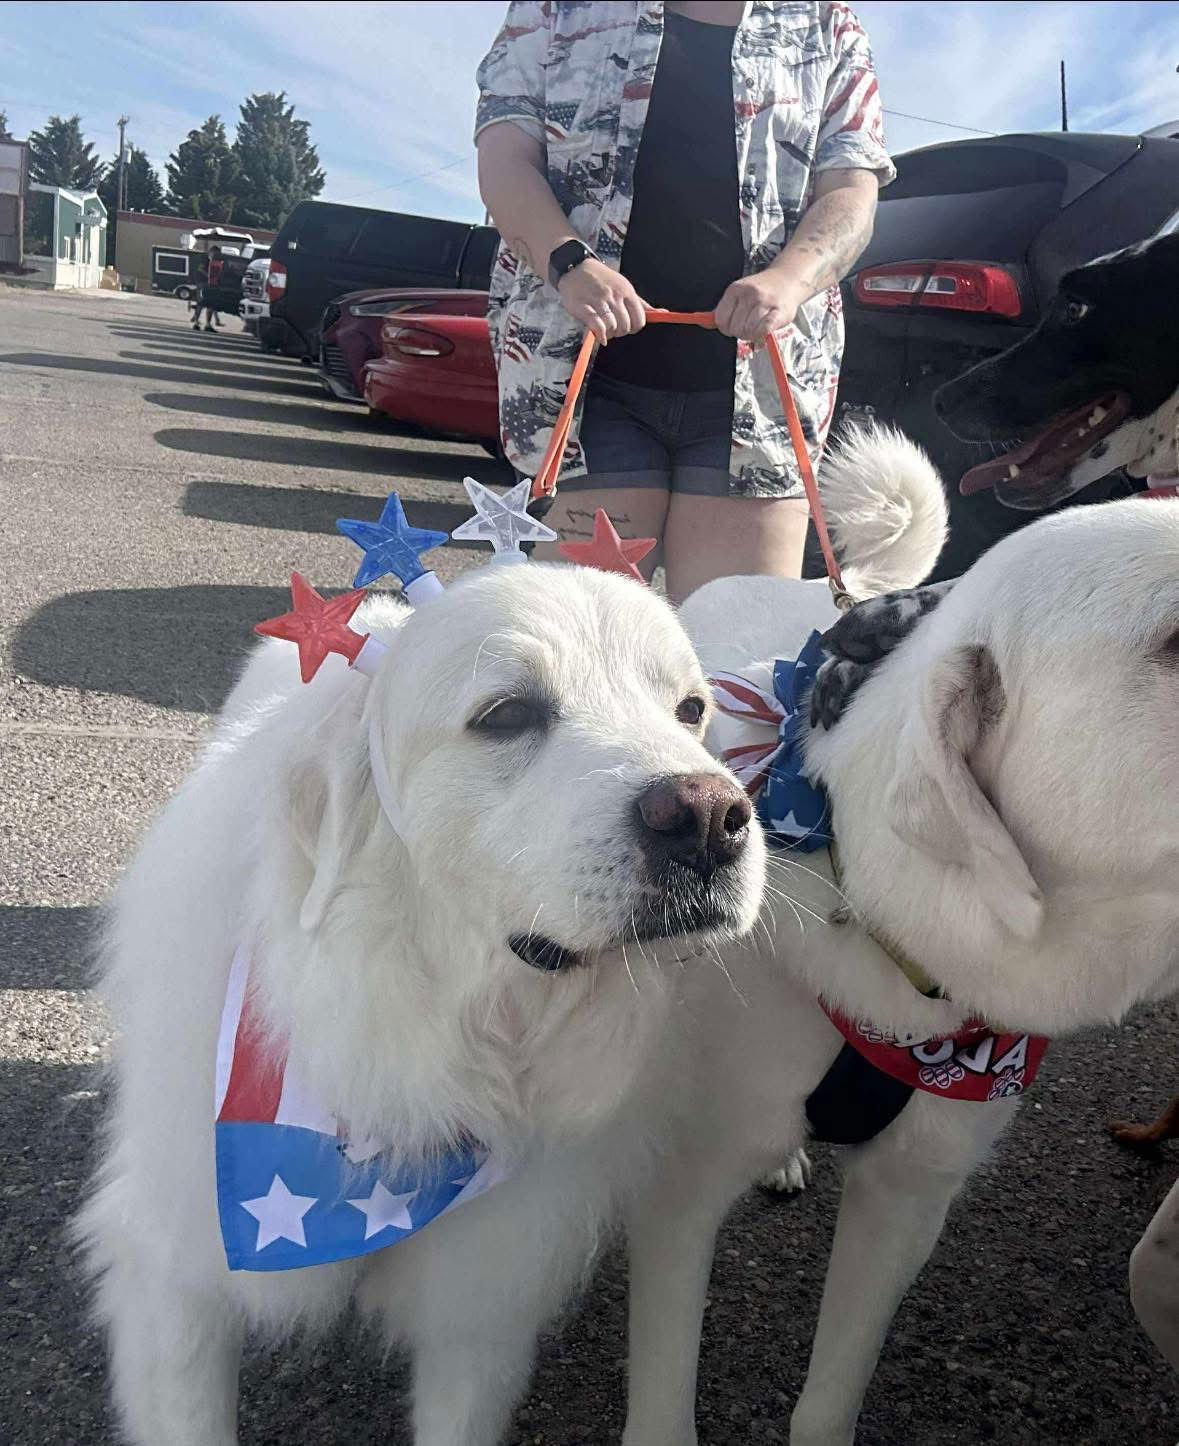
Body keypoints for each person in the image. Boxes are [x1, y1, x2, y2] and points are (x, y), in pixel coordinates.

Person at [475, 1, 895, 602]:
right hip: (584, 387)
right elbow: (505, 158)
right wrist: (570, 265)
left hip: (759, 399)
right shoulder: (557, 8)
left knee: (732, 648)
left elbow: (852, 191)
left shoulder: (828, 24)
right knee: (578, 644)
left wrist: (788, 282)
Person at [191, 246, 225, 333]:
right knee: (201, 303)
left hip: (210, 284)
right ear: (211, 252)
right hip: (202, 283)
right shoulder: (205, 259)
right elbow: (200, 268)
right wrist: (209, 276)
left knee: (210, 304)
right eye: (216, 253)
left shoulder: (214, 260)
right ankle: (196, 323)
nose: (217, 255)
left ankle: (207, 324)